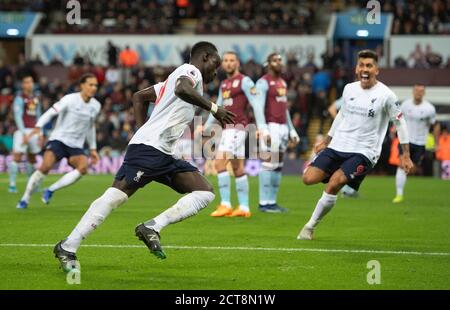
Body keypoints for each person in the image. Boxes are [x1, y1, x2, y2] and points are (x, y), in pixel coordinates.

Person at [53, 42, 235, 272]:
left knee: (204, 192)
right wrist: (214, 108)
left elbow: (139, 97)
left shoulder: (169, 81)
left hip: (164, 153)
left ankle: (152, 227)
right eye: (215, 65)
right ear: (206, 57)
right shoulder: (190, 72)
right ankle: (68, 246)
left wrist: (141, 129)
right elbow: (182, 89)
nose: (215, 72)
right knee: (115, 196)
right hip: (149, 150)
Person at [298, 49, 413, 240]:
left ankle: (309, 227)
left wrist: (406, 154)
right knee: (308, 178)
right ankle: (330, 186)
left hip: (364, 151)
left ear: (377, 69)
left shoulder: (387, 96)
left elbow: (400, 123)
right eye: (361, 65)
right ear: (356, 69)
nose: (365, 69)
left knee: (335, 182)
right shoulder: (349, 89)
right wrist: (327, 140)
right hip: (339, 145)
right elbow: (342, 114)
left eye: (369, 65)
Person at [16, 73, 101, 209]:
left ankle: (50, 189)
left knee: (83, 168)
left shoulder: (96, 106)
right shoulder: (69, 99)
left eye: (96, 85)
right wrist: (39, 126)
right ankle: (25, 198)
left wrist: (93, 148)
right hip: (59, 140)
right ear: (82, 85)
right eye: (91, 84)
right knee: (45, 167)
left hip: (76, 145)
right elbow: (51, 112)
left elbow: (90, 127)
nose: (94, 88)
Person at [206, 51, 265, 218]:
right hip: (229, 129)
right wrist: (206, 126)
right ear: (222, 64)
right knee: (238, 168)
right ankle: (244, 207)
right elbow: (217, 107)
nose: (229, 63)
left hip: (237, 128)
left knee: (219, 163)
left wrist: (261, 127)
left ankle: (225, 204)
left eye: (232, 60)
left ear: (238, 63)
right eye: (226, 61)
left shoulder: (244, 81)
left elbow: (256, 103)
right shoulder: (224, 84)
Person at [255, 53, 300, 213]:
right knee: (268, 165)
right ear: (268, 64)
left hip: (282, 128)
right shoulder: (263, 82)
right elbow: (258, 107)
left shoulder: (282, 82)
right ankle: (263, 203)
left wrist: (291, 130)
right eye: (275, 60)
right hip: (270, 126)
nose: (279, 63)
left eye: (280, 60)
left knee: (278, 166)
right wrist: (263, 129)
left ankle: (272, 202)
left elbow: (284, 108)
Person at [393, 84, 439, 203]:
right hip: (405, 141)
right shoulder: (405, 105)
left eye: (421, 91)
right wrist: (394, 129)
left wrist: (436, 142)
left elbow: (435, 125)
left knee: (411, 169)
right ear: (413, 91)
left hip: (420, 143)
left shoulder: (429, 108)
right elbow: (399, 119)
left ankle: (407, 177)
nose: (418, 93)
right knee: (402, 165)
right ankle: (399, 194)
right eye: (416, 90)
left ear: (424, 93)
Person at [8, 74, 42, 193]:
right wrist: (24, 133)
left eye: (31, 82)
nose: (29, 84)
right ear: (23, 85)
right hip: (22, 131)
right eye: (27, 82)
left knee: (32, 159)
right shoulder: (19, 98)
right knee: (17, 157)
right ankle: (12, 185)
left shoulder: (36, 98)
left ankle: (31, 184)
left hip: (33, 131)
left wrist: (40, 132)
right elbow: (18, 116)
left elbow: (39, 116)